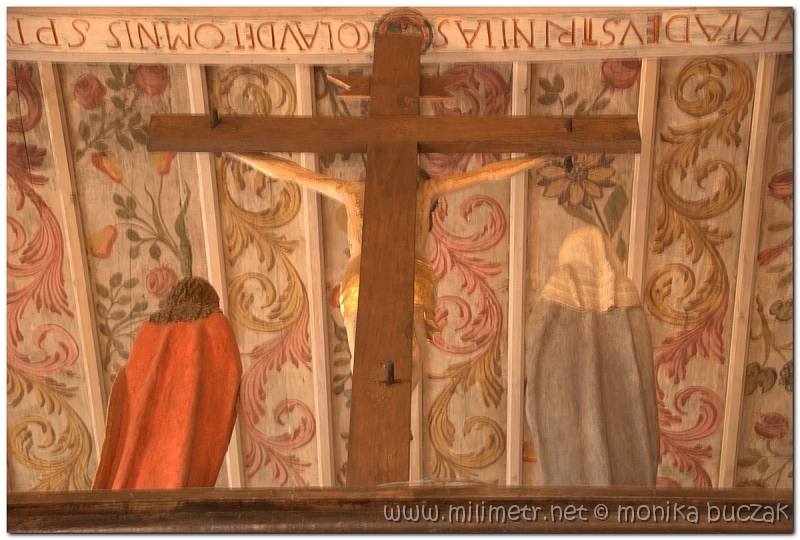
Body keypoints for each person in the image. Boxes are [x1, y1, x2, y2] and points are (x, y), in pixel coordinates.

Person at [525, 226, 659, 486]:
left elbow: (536, 349)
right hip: (626, 431)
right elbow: (642, 381)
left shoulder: (553, 299)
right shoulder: (628, 299)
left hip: (568, 430)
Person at [93, 277, 242, 489]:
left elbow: (131, 389)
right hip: (185, 441)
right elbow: (227, 382)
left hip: (135, 456)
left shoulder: (149, 328)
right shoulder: (216, 324)